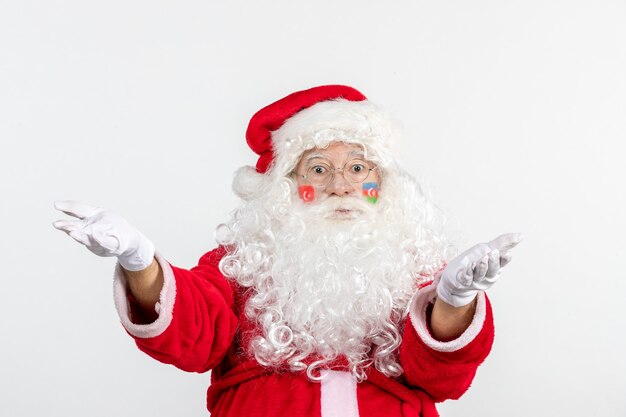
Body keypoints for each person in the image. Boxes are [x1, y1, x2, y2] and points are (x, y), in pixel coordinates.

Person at [53, 85, 522, 417]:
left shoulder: (413, 262)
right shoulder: (245, 261)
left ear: (385, 182)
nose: (342, 185)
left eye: (359, 167)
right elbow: (194, 336)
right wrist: (141, 263)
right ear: (288, 187)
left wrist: (454, 301)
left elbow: (444, 381)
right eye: (318, 169)